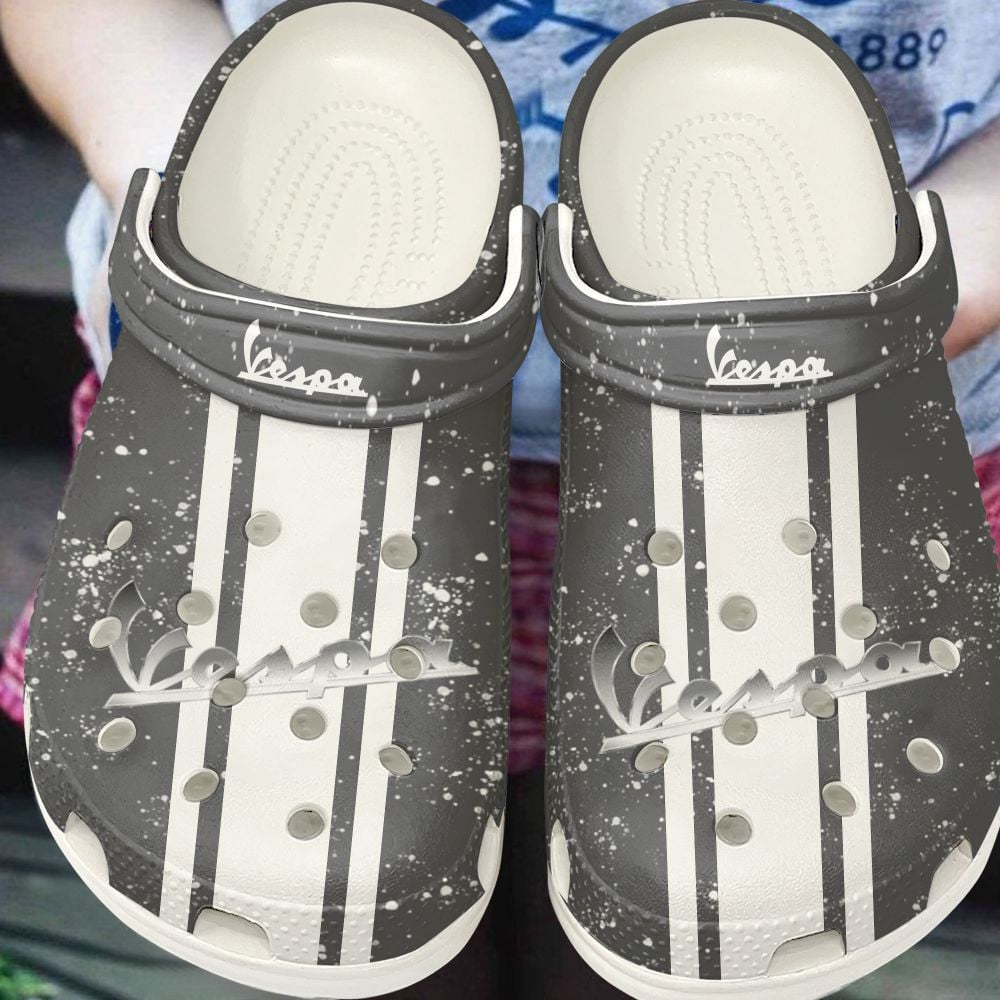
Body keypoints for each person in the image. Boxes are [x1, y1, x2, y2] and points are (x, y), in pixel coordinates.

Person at [0, 2, 998, 993]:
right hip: (271, 386)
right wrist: (218, 218)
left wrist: (903, 300)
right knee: (358, 894)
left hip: (843, 434)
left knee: (690, 907)